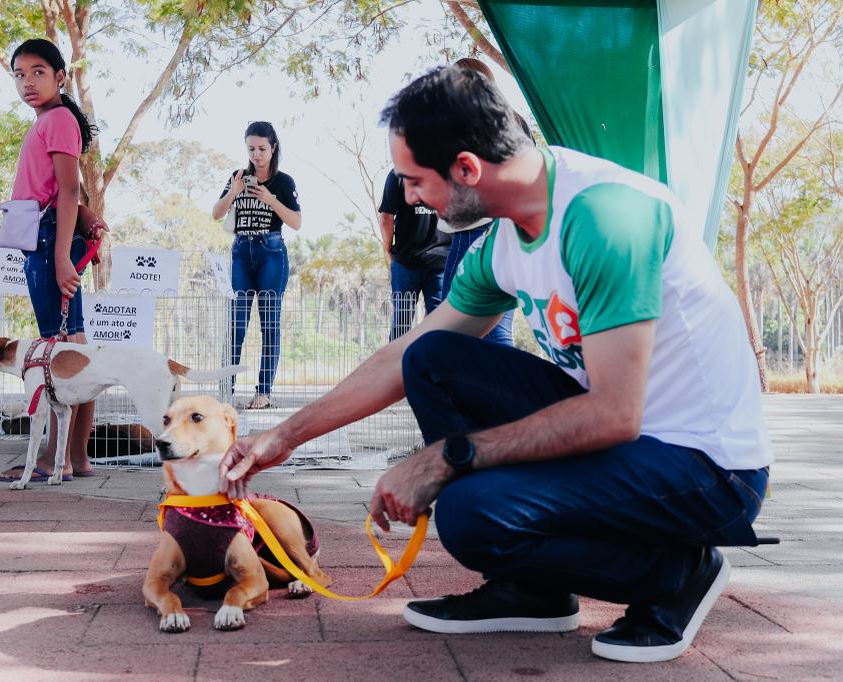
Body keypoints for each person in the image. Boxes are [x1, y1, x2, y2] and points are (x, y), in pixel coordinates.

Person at [219, 66, 772, 664]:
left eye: (413, 180)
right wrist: (284, 435)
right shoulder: (504, 240)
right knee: (432, 358)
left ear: (466, 169)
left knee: (470, 513)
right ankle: (534, 590)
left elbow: (615, 413)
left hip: (707, 471)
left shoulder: (603, 217)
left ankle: (676, 575)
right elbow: (405, 358)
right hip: (631, 445)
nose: (406, 197)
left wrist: (447, 458)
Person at [0, 38, 99, 482]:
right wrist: (84, 218)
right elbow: (66, 191)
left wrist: (62, 257)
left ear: (60, 76)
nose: (27, 82)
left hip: (46, 241)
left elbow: (68, 190)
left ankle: (50, 459)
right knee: (75, 347)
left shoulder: (56, 119)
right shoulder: (52, 120)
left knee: (59, 351)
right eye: (19, 74)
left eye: (37, 72)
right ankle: (75, 458)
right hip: (45, 237)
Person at [436, 57, 528, 347]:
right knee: (499, 327)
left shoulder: (465, 125)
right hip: (512, 232)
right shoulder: (516, 121)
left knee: (454, 329)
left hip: (473, 233)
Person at [212, 121, 301, 410]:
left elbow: (296, 222)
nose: (257, 155)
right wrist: (234, 191)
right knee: (236, 324)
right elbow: (216, 213)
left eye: (262, 148)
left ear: (273, 148)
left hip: (271, 252)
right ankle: (226, 390)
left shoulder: (284, 182)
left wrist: (270, 199)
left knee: (270, 324)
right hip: (241, 251)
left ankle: (263, 392)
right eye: (251, 148)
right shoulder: (238, 176)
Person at [379, 170, 450, 341]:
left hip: (406, 259)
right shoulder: (448, 169)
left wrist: (388, 248)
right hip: (441, 262)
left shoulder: (399, 172)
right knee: (440, 326)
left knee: (401, 324)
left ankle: (397, 367)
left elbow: (386, 218)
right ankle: (435, 367)